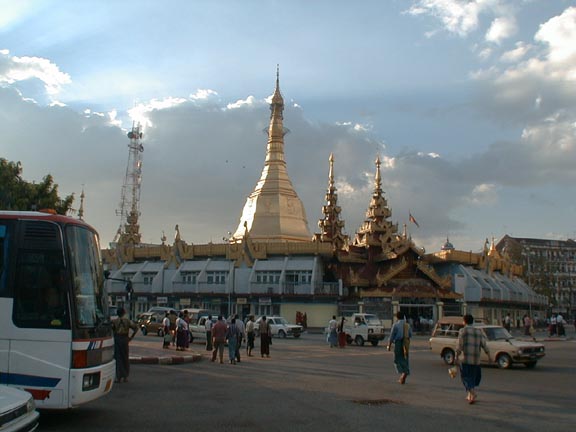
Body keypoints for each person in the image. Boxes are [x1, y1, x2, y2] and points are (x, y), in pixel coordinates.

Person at [456, 314, 490, 404]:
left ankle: (472, 393)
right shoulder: (479, 331)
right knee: (473, 378)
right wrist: (488, 354)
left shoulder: (463, 331)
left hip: (466, 359)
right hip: (476, 359)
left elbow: (460, 345)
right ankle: (470, 396)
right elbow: (484, 344)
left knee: (466, 378)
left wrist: (457, 355)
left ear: (464, 321)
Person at [111, 307, 138, 383]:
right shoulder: (127, 321)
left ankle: (118, 377)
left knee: (118, 358)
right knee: (125, 357)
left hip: (117, 339)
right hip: (125, 339)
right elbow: (136, 328)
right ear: (124, 313)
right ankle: (125, 376)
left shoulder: (114, 321)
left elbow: (112, 329)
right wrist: (131, 337)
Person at [387, 311, 412, 384]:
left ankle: (403, 372)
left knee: (397, 359)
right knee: (405, 358)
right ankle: (404, 373)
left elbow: (391, 336)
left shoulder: (396, 325)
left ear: (397, 317)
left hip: (398, 343)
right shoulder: (407, 325)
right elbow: (410, 335)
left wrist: (389, 345)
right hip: (406, 343)